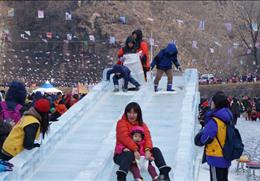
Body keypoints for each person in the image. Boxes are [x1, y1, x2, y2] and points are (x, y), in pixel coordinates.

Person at [114, 102, 171, 181]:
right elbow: (125, 138)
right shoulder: (121, 123)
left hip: (140, 155)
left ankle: (164, 173)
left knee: (155, 150)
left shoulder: (142, 125)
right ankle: (121, 177)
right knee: (129, 154)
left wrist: (147, 150)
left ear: (138, 114)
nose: (131, 115)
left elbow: (148, 138)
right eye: (129, 112)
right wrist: (135, 150)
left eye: (134, 113)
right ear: (126, 113)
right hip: (123, 154)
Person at [195, 94, 232, 181]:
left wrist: (198, 138)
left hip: (216, 156)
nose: (210, 103)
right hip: (226, 154)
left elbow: (206, 138)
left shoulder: (215, 120)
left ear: (216, 104)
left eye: (212, 102)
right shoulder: (227, 118)